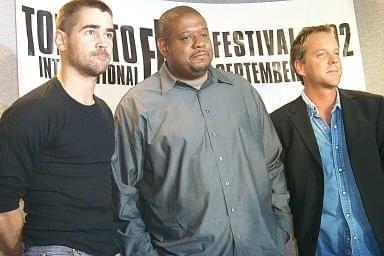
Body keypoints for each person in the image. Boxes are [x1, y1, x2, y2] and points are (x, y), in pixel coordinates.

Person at [112, 5, 296, 256]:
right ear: (163, 47)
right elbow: (123, 192)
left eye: (203, 34)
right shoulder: (137, 106)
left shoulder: (242, 92)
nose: (199, 43)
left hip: (261, 246)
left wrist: (282, 227)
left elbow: (272, 163)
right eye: (186, 37)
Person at [0, 0, 118, 255]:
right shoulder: (32, 111)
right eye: (90, 31)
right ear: (61, 41)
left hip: (106, 247)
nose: (102, 42)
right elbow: (3, 201)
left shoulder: (104, 111)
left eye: (108, 33)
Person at [271, 24, 384, 256]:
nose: (333, 60)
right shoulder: (278, 124)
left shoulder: (374, 109)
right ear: (300, 66)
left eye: (335, 53)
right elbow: (278, 195)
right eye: (322, 54)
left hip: (374, 244)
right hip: (322, 249)